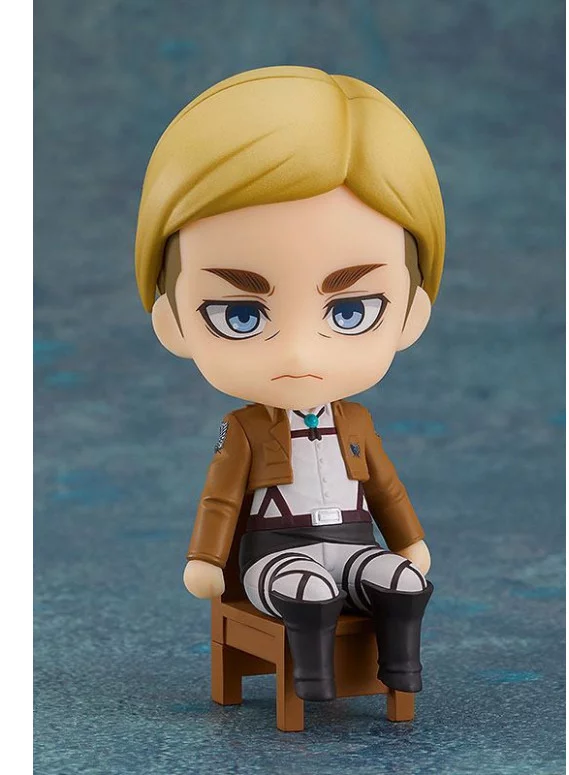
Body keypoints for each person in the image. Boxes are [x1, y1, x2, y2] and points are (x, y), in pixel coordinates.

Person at [135, 66, 445, 702]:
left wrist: (410, 541)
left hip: (353, 543)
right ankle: (311, 680)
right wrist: (205, 560)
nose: (300, 352)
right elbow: (220, 499)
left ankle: (401, 669)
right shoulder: (245, 430)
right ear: (173, 322)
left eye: (350, 311)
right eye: (241, 316)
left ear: (412, 314)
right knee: (308, 591)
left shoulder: (356, 423)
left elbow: (385, 488)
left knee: (403, 582)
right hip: (276, 554)